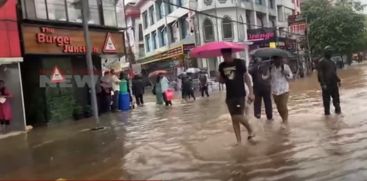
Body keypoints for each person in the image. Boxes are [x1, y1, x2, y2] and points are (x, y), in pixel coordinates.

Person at [218, 48, 255, 144]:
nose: (224, 58)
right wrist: (219, 77)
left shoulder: (239, 63)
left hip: (240, 94)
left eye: (226, 56)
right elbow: (222, 81)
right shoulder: (222, 66)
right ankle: (239, 141)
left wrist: (251, 92)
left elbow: (246, 77)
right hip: (229, 95)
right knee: (234, 119)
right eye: (223, 56)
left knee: (237, 116)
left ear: (230, 54)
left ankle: (251, 129)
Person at [270, 56, 293, 128]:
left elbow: (291, 77)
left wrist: (285, 73)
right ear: (274, 60)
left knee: (283, 105)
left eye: (280, 59)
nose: (278, 61)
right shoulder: (270, 68)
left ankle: (285, 121)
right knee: (278, 107)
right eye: (276, 59)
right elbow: (266, 77)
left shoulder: (285, 67)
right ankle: (283, 119)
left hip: (284, 90)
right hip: (275, 91)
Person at [317, 46, 341, 115]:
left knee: (336, 101)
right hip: (326, 85)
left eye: (331, 52)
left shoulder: (332, 62)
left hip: (333, 84)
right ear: (326, 53)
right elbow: (320, 74)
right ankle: (327, 116)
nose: (331, 54)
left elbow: (334, 73)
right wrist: (323, 84)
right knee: (326, 103)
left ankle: (338, 116)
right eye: (329, 52)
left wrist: (338, 80)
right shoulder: (321, 62)